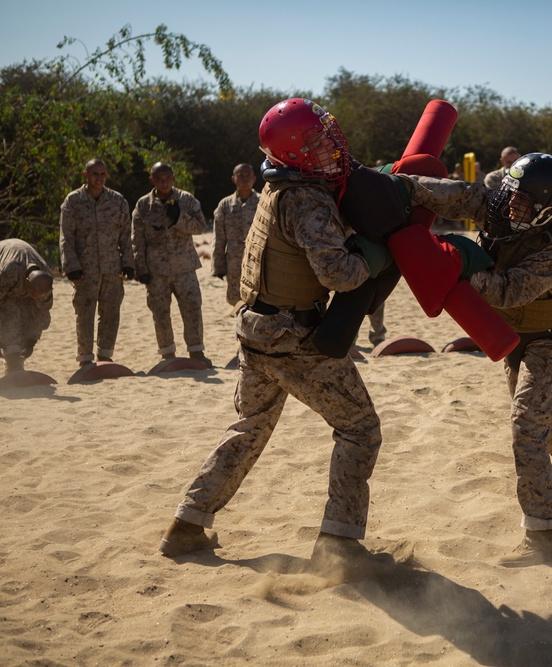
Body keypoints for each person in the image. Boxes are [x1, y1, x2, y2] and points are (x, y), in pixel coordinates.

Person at [159, 98, 391, 563]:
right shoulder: (306, 199)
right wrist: (374, 256)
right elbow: (339, 275)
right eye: (315, 141)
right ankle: (340, 545)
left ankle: (188, 522)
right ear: (294, 151)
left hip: (256, 331)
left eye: (326, 134)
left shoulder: (276, 185)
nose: (328, 145)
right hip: (293, 337)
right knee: (360, 428)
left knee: (249, 428)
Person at [400, 152, 552, 567]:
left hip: (551, 345)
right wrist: (403, 186)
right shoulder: (505, 208)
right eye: (509, 195)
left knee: (527, 424)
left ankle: (542, 537)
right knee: (546, 422)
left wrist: (452, 264)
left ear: (545, 208)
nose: (509, 206)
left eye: (520, 201)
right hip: (515, 339)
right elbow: (460, 196)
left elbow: (506, 291)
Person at [131, 162, 212, 367]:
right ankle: (168, 354)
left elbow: (200, 226)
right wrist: (141, 268)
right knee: (160, 312)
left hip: (184, 267)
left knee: (192, 309)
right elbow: (137, 239)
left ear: (174, 178)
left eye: (168, 178)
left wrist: (180, 218)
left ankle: (196, 352)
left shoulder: (186, 200)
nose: (164, 182)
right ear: (152, 180)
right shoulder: (143, 205)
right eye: (159, 179)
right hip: (156, 270)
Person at [59, 158, 134, 366]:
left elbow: (125, 235)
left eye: (102, 174)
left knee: (111, 312)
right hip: (85, 270)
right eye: (94, 174)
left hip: (112, 268)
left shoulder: (118, 201)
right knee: (84, 312)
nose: (99, 178)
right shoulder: (73, 201)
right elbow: (66, 237)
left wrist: (128, 263)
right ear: (86, 175)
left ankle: (105, 354)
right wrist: (71, 266)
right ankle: (85, 357)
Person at [0, 239, 54, 375]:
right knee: (9, 314)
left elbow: (42, 311)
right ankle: (12, 363)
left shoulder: (45, 278)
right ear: (26, 282)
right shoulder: (6, 273)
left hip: (18, 275)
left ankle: (18, 359)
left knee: (26, 314)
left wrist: (32, 339)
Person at [212, 163, 260, 307]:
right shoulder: (225, 205)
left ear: (254, 178)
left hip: (259, 263)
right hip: (234, 264)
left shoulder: (263, 202)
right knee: (237, 304)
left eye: (248, 176)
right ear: (234, 179)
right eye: (241, 175)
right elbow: (219, 238)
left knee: (260, 302)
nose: (245, 179)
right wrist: (218, 266)